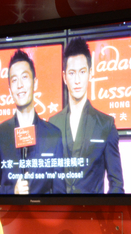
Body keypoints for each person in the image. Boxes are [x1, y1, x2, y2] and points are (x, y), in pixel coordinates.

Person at [0, 50, 65, 196]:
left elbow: (60, 190)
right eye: (14, 80)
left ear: (35, 83)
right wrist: (12, 191)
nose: (19, 85)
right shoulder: (0, 133)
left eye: (24, 77)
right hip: (10, 216)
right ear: (10, 89)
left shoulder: (53, 134)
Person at [49, 38, 124, 194]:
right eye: (72, 73)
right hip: (56, 215)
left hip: (93, 215)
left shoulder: (106, 124)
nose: (77, 80)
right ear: (64, 77)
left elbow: (117, 184)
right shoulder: (52, 123)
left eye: (82, 72)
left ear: (90, 73)